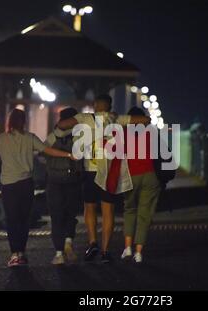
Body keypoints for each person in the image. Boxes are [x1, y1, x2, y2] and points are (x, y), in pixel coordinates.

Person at [57, 94, 150, 263]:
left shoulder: (85, 118)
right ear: (110, 106)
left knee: (89, 207)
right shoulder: (116, 118)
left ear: (95, 105)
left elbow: (62, 125)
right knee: (108, 210)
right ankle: (106, 251)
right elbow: (145, 120)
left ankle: (93, 242)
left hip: (90, 171)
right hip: (109, 172)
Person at [0, 108, 75, 268]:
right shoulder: (30, 138)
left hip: (9, 185)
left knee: (12, 220)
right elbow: (48, 150)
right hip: (26, 184)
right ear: (24, 121)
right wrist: (68, 155)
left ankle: (15, 254)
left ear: (10, 122)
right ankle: (22, 252)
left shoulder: (1, 139)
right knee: (24, 219)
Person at [121, 107, 162, 263]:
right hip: (150, 175)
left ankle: (128, 248)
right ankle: (139, 253)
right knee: (144, 214)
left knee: (129, 210)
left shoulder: (124, 133)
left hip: (131, 175)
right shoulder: (150, 132)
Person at [45, 107, 84, 265]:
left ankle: (59, 254)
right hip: (73, 179)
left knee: (56, 216)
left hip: (54, 180)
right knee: (70, 214)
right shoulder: (79, 135)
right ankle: (68, 241)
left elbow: (42, 151)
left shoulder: (53, 135)